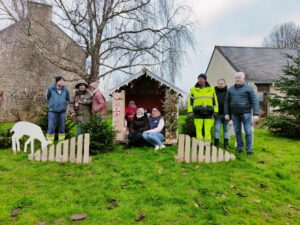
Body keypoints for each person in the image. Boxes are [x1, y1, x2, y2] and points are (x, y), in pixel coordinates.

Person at [224, 72, 259, 156]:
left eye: (239, 78)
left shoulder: (249, 88)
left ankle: (249, 150)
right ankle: (239, 148)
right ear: (234, 79)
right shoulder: (230, 89)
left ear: (243, 78)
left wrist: (256, 114)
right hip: (235, 114)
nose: (237, 79)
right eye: (236, 78)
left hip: (246, 114)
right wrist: (226, 113)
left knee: (248, 132)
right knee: (237, 131)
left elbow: (254, 101)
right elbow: (227, 102)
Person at [187, 74, 218, 144]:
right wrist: (190, 111)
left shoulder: (211, 89)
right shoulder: (193, 89)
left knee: (207, 129)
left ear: (205, 80)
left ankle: (207, 144)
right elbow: (190, 101)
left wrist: (216, 111)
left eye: (201, 78)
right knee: (198, 129)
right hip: (198, 112)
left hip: (209, 112)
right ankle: (200, 144)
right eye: (198, 78)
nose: (199, 80)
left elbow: (215, 101)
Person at [45, 76, 70, 144]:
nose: (62, 82)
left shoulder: (66, 90)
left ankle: (61, 140)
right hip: (52, 110)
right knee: (51, 125)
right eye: (60, 81)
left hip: (62, 111)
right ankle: (50, 140)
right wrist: (52, 104)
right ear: (56, 82)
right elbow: (47, 97)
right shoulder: (50, 89)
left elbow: (68, 99)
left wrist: (64, 105)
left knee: (62, 126)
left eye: (63, 81)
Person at [214, 78, 229, 149]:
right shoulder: (214, 92)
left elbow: (230, 103)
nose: (220, 85)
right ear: (217, 84)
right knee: (217, 129)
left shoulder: (228, 92)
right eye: (219, 83)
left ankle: (226, 144)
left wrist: (229, 114)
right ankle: (216, 144)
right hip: (217, 114)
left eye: (222, 83)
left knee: (226, 129)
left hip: (226, 114)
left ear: (225, 84)